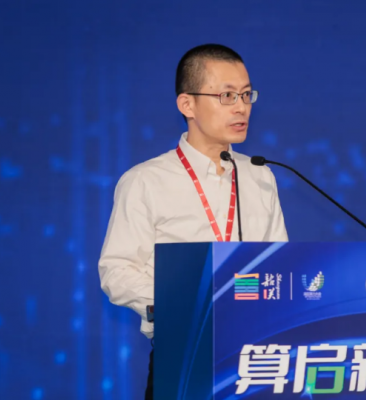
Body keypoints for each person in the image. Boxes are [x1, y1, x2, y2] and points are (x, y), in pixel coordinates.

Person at [98, 44, 288, 400]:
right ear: (187, 104)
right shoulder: (145, 181)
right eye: (227, 96)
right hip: (183, 354)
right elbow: (116, 271)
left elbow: (278, 264)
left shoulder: (260, 176)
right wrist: (184, 302)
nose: (241, 107)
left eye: (247, 95)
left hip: (254, 356)